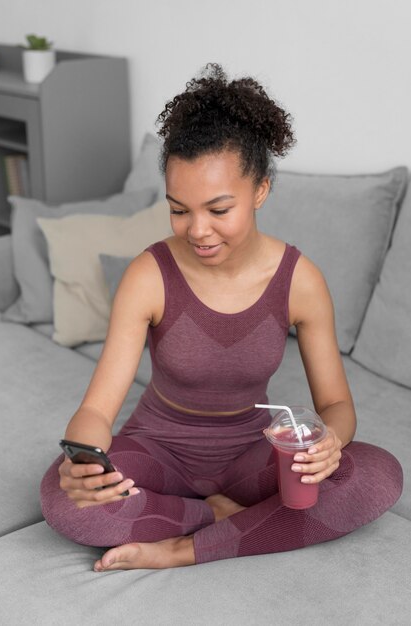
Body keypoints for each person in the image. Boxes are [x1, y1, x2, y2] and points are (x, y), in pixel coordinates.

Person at [40, 63, 403, 572]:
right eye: (179, 209)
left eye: (218, 208)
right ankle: (213, 515)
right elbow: (98, 411)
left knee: (377, 475)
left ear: (260, 190)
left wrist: (329, 442)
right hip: (157, 450)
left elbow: (337, 404)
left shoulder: (301, 281)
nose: (197, 230)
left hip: (253, 454)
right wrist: (82, 460)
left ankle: (185, 547)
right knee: (62, 500)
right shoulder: (149, 275)